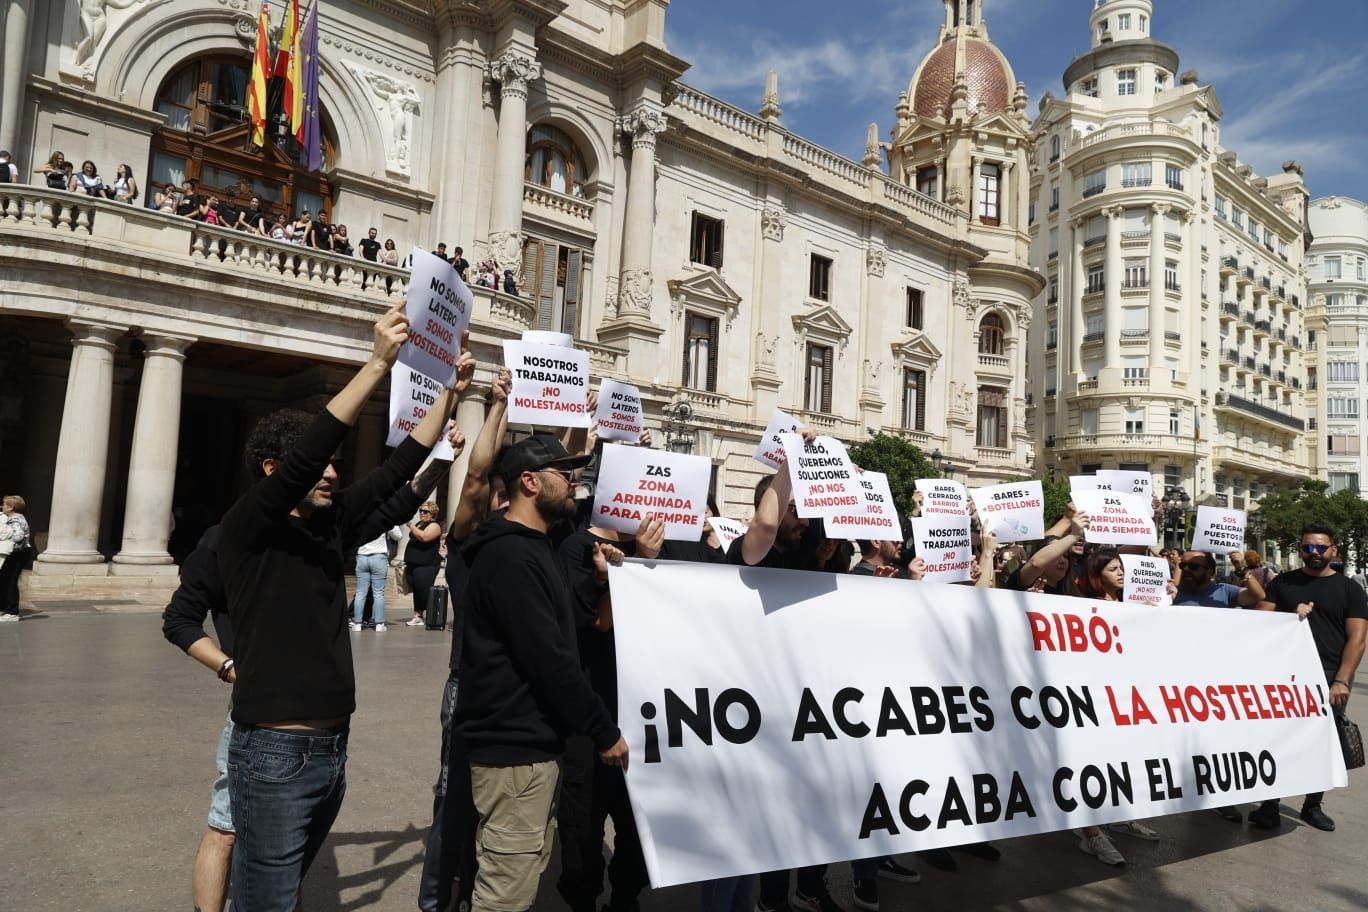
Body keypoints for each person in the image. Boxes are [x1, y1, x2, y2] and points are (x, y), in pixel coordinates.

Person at [216, 307, 473, 910]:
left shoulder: (330, 528)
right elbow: (312, 453)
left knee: (277, 891)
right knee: (270, 899)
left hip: (330, 747)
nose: (333, 471)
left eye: (334, 466)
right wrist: (380, 362)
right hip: (274, 749)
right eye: (320, 466)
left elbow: (395, 476)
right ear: (273, 471)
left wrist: (449, 395)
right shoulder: (248, 527)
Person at [454, 435, 629, 912]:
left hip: (531, 749)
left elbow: (564, 624)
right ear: (529, 482)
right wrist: (602, 729)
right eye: (564, 474)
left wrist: (597, 582)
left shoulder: (538, 548)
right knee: (504, 893)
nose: (574, 482)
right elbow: (550, 660)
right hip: (513, 751)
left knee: (519, 874)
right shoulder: (512, 557)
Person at [1252, 523, 1367, 832]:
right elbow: (1259, 621)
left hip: (1329, 675)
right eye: (1307, 547)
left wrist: (1342, 680)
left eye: (1320, 548)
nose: (1313, 552)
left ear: (1333, 551)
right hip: (1284, 674)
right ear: (1300, 549)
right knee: (1275, 739)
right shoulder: (1284, 583)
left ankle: (1312, 805)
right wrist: (1290, 615)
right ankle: (1269, 806)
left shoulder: (1349, 589)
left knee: (1321, 741)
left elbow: (1357, 638)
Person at [1173, 551, 1264, 608]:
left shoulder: (1225, 591)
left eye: (1193, 566)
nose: (1186, 569)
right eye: (1183, 565)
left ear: (1209, 572)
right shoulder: (1173, 592)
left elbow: (1257, 596)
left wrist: (1241, 569)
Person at [403, 501, 444, 627]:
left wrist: (411, 526)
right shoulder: (420, 523)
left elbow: (425, 537)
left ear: (433, 513)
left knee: (424, 591)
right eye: (421, 510)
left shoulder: (434, 526)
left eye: (425, 511)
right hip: (414, 564)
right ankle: (418, 616)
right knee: (417, 590)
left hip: (427, 565)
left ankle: (433, 616)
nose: (422, 513)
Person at [0, 495, 31, 621]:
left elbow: (18, 536)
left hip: (19, 553)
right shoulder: (16, 517)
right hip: (17, 553)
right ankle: (5, 608)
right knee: (4, 579)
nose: (2, 507)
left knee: (11, 581)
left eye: (5, 505)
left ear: (11, 507)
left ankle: (12, 613)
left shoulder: (15, 519)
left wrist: (4, 536)